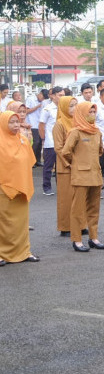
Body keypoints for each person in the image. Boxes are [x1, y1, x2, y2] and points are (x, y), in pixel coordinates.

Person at [62, 102, 104, 252]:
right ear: (81, 113)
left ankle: (93, 238)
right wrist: (77, 163)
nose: (93, 114)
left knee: (94, 208)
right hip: (81, 175)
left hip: (95, 174)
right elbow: (66, 152)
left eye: (94, 111)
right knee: (78, 209)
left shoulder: (97, 132)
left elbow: (100, 151)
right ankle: (77, 239)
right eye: (90, 111)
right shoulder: (76, 132)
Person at [0, 111, 39, 265]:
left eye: (17, 122)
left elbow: (30, 161)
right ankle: (2, 253)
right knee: (4, 222)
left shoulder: (22, 140)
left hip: (21, 187)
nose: (16, 125)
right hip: (4, 188)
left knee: (21, 223)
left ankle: (23, 251)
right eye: (12, 122)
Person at [54, 96, 78, 236]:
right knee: (66, 198)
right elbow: (59, 147)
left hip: (79, 164)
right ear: (63, 107)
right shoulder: (59, 124)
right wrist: (70, 161)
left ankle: (80, 225)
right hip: (66, 166)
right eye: (71, 106)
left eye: (76, 105)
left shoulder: (78, 122)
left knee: (79, 197)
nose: (74, 108)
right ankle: (65, 227)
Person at [38, 86, 64, 195]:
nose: (62, 97)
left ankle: (61, 187)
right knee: (48, 167)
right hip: (50, 143)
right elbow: (41, 125)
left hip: (62, 143)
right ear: (53, 96)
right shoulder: (47, 109)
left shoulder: (65, 108)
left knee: (61, 167)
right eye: (60, 95)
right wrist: (44, 139)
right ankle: (47, 187)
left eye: (63, 95)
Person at [25, 90, 46, 165]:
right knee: (35, 142)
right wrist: (37, 107)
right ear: (40, 93)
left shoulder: (43, 102)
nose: (42, 99)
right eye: (42, 97)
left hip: (39, 124)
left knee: (40, 142)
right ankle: (31, 161)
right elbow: (26, 111)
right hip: (32, 123)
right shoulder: (30, 99)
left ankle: (38, 160)